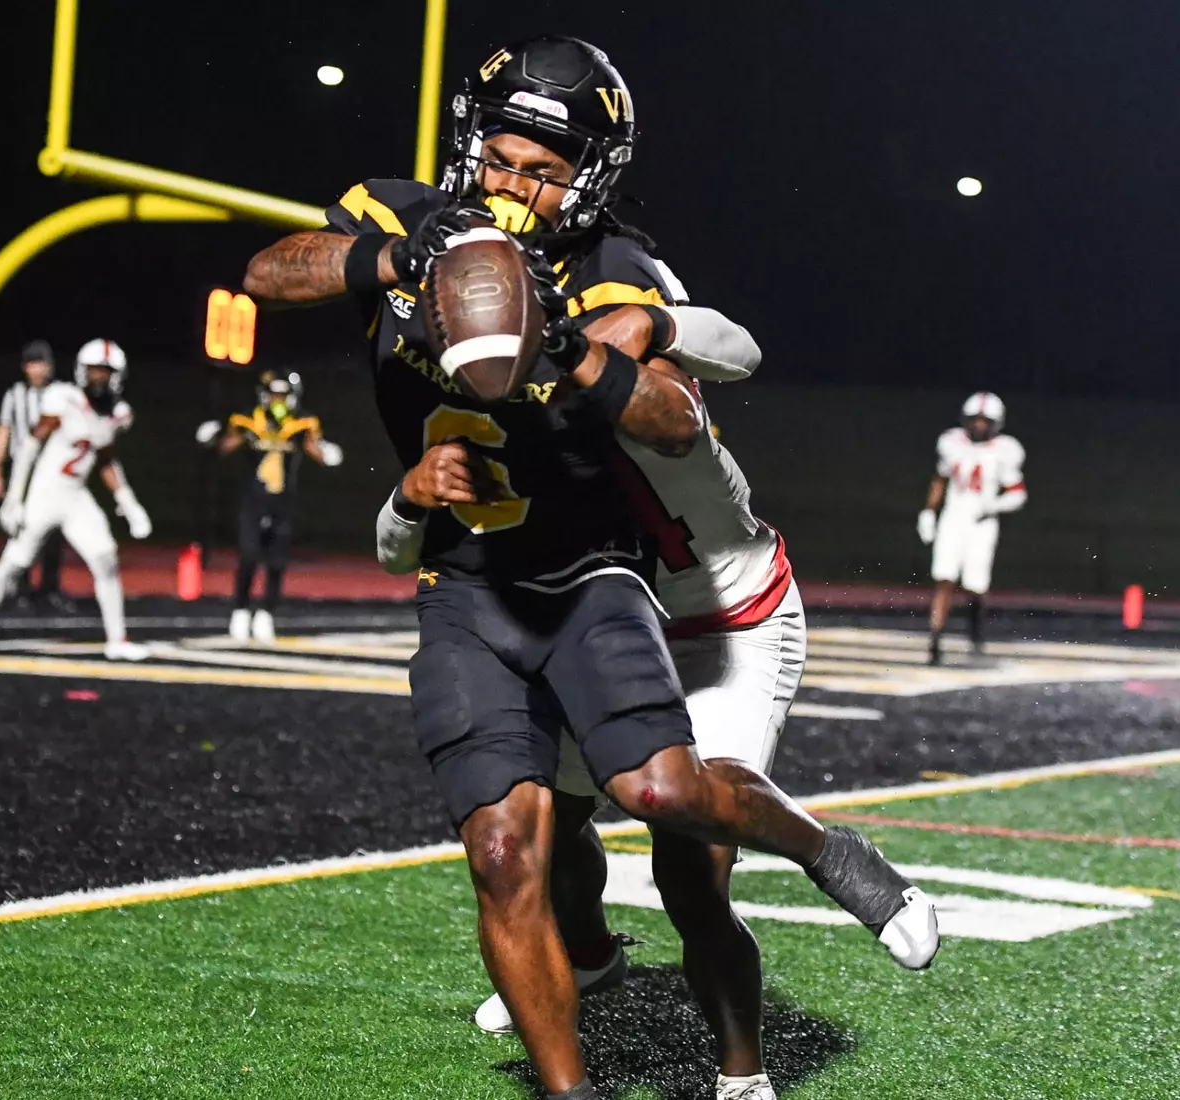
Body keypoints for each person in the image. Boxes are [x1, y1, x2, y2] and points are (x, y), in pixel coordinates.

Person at [244, 36, 936, 1100]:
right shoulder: (407, 215)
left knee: (679, 838)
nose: (516, 187)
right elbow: (267, 272)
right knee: (523, 843)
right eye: (502, 159)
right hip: (499, 582)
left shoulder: (616, 273)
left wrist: (569, 340)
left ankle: (759, 1026)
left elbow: (688, 399)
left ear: (591, 180)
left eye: (545, 169)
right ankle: (591, 971)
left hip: (672, 593)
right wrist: (405, 255)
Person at [378, 302, 937, 1100]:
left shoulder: (642, 386)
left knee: (688, 856)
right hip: (603, 620)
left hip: (728, 624)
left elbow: (731, 354)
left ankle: (743, 1072)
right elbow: (415, 530)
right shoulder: (508, 409)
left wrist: (653, 321)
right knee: (552, 824)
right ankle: (591, 956)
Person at [0, 339, 153, 661]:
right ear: (81, 371)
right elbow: (31, 447)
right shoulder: (64, 399)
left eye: (106, 372)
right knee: (14, 563)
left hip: (76, 496)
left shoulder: (119, 414)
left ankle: (117, 639)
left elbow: (105, 459)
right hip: (45, 492)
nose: (99, 378)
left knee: (105, 557)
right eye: (94, 371)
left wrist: (127, 501)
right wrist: (15, 498)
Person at [195, 370, 344, 643]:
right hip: (253, 498)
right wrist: (215, 439)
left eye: (282, 395)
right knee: (249, 556)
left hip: (283, 500)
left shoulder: (301, 424)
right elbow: (225, 447)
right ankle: (240, 610)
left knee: (276, 561)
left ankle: (266, 613)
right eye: (273, 394)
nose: (277, 400)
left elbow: (318, 452)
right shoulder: (249, 419)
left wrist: (327, 455)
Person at [917, 391, 1027, 664]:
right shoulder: (951, 442)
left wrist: (994, 505)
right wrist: (929, 512)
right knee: (944, 578)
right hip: (953, 517)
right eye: (974, 419)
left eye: (984, 420)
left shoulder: (1006, 449)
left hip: (982, 522)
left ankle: (975, 629)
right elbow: (940, 478)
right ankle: (935, 639)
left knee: (975, 585)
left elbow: (1018, 493)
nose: (978, 424)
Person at [0, 340, 67, 607]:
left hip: (54, 470)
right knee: (20, 528)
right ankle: (20, 586)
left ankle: (50, 586)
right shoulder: (15, 395)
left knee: (54, 530)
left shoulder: (60, 394)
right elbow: (3, 429)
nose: (37, 369)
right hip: (23, 471)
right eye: (32, 363)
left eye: (41, 363)